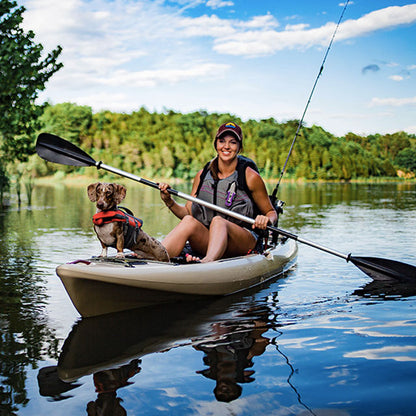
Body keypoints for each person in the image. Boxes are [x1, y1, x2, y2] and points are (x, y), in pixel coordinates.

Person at [159, 122, 277, 263]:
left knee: (219, 221)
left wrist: (266, 220)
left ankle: (207, 263)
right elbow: (188, 213)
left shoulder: (250, 176)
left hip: (243, 241)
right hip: (211, 239)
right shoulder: (202, 175)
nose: (226, 146)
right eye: (222, 141)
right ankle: (157, 257)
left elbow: (271, 212)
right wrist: (169, 201)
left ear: (239, 147)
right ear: (216, 145)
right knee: (189, 221)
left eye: (232, 142)